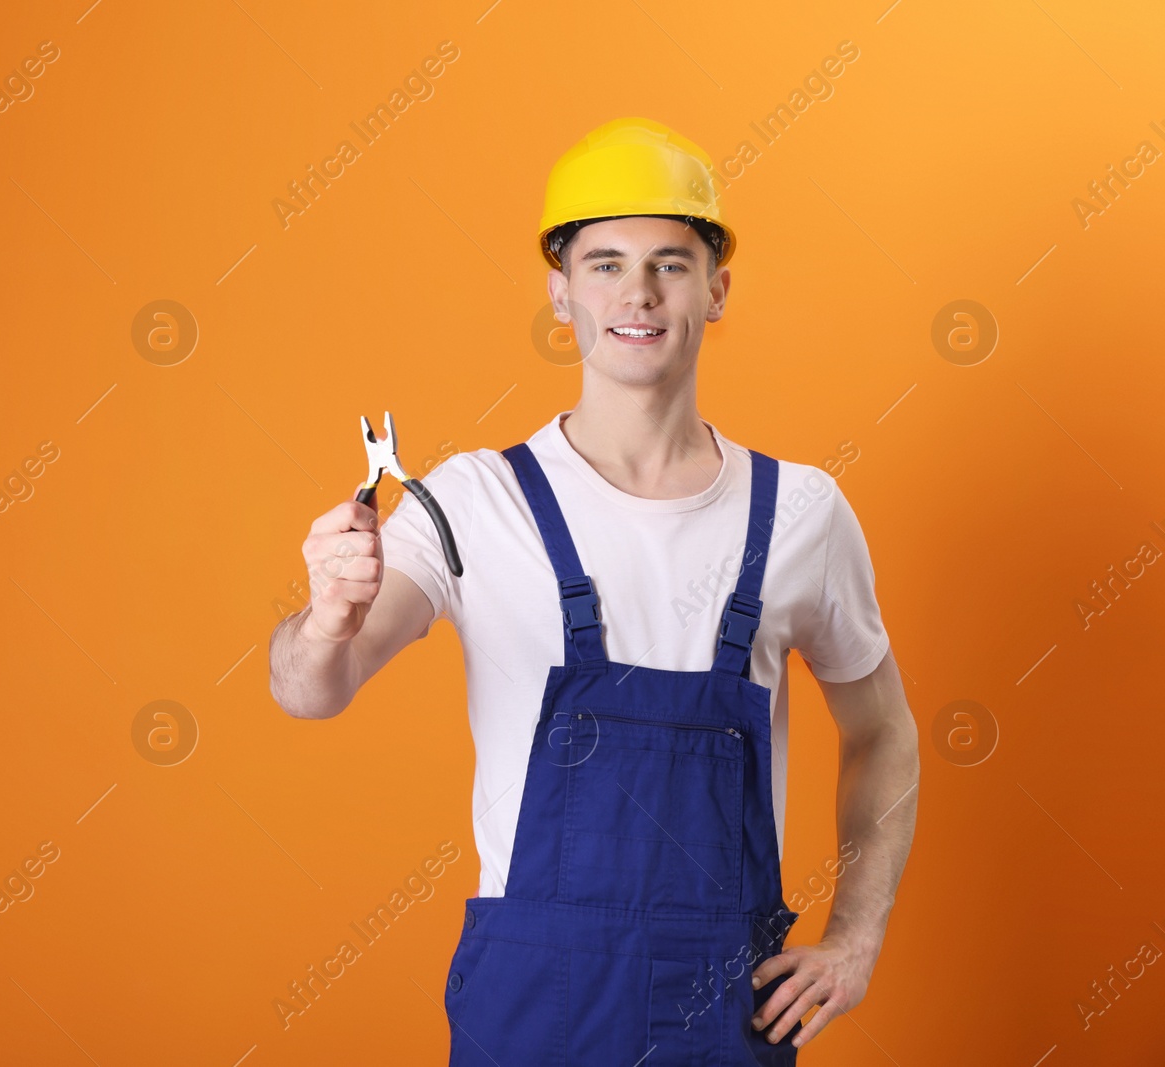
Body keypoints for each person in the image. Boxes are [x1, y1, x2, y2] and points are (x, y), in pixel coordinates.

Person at [268, 116, 918, 1064]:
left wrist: (856, 939)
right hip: (531, 1009)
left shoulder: (800, 514)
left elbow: (885, 730)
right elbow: (306, 690)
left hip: (725, 1010)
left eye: (671, 262)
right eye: (604, 263)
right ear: (560, 293)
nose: (639, 292)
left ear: (717, 288)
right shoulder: (474, 501)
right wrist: (326, 618)